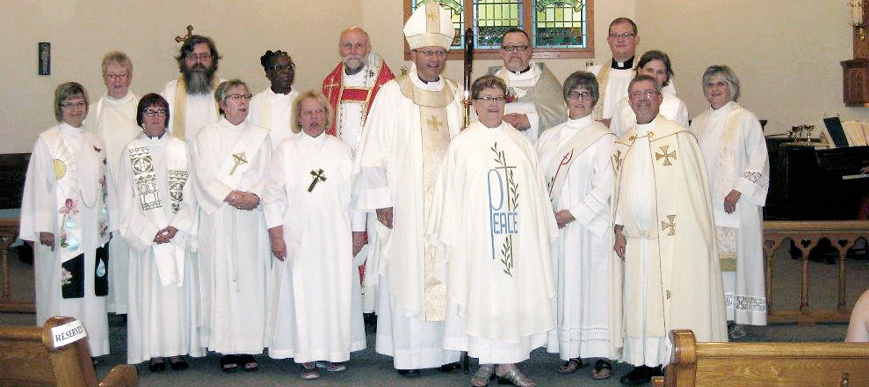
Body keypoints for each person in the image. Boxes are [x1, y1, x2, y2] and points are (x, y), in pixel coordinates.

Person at [426, 75, 559, 387]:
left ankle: (508, 365)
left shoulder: (521, 142)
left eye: (499, 98)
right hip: (477, 240)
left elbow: (536, 194)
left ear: (506, 101)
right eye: (486, 98)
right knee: (483, 296)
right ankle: (485, 363)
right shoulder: (462, 144)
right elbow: (450, 196)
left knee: (512, 297)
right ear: (474, 105)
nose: (493, 104)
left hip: (516, 236)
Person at [352, 1, 462, 375]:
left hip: (447, 206)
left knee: (445, 268)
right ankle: (411, 356)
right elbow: (372, 154)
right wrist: (382, 201)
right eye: (428, 51)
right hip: (406, 205)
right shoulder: (392, 94)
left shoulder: (455, 94)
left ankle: (446, 353)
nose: (434, 58)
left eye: (440, 51)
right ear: (413, 52)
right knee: (409, 273)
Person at [610, 75, 727, 386]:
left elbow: (693, 197)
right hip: (636, 240)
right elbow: (620, 192)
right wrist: (618, 228)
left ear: (661, 98)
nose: (643, 99)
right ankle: (643, 361)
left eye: (649, 93)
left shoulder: (679, 138)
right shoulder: (624, 142)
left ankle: (669, 360)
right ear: (628, 101)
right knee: (639, 302)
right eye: (636, 94)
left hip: (672, 239)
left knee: (669, 302)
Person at [263, 90, 366, 380]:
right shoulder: (286, 149)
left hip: (335, 234)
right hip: (299, 236)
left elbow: (356, 196)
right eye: (307, 112)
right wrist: (276, 234)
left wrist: (358, 231)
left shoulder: (341, 150)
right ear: (298, 117)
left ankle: (334, 352)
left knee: (333, 293)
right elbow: (272, 195)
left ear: (327, 116)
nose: (314, 117)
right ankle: (306, 355)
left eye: (319, 111)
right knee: (303, 294)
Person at [20, 82, 111, 356]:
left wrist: (112, 223)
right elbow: (38, 185)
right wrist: (43, 227)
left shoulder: (96, 141)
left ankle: (91, 349)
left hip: (94, 229)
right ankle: (62, 349)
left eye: (80, 103)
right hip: (61, 234)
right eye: (69, 104)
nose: (75, 109)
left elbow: (107, 186)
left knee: (91, 291)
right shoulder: (48, 140)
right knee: (63, 292)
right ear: (59, 108)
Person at [536, 71, 616, 379]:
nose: (579, 99)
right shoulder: (549, 136)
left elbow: (607, 185)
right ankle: (572, 353)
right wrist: (548, 212)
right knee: (566, 288)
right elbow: (536, 179)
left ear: (594, 99)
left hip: (589, 228)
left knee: (596, 291)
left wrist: (574, 213)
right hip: (557, 227)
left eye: (585, 94)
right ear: (565, 98)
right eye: (574, 93)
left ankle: (601, 355)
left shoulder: (604, 138)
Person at [117, 93, 204, 371]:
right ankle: (154, 352)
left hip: (176, 235)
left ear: (167, 116)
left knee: (176, 296)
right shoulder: (130, 151)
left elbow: (193, 192)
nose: (155, 117)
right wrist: (148, 232)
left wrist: (177, 226)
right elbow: (125, 199)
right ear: (140, 118)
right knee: (150, 297)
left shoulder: (182, 148)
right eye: (149, 112)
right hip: (148, 240)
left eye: (160, 111)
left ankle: (177, 351)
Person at [190, 79, 271, 373]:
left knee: (250, 279)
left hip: (250, 217)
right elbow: (202, 174)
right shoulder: (206, 136)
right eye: (236, 97)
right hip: (220, 217)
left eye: (245, 96)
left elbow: (268, 173)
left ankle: (249, 346)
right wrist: (231, 196)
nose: (243, 101)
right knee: (222, 279)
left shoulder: (261, 137)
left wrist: (254, 196)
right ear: (222, 104)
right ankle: (225, 347)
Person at [690, 65, 769, 339]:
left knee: (738, 263)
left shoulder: (745, 119)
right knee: (715, 263)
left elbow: (758, 158)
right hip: (708, 206)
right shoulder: (697, 122)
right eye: (709, 84)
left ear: (731, 87)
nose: (714, 89)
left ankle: (739, 319)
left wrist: (738, 189)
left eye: (720, 84)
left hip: (738, 205)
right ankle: (717, 315)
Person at [322, 26, 395, 319]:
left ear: (369, 48)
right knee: (344, 232)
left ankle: (372, 305)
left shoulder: (385, 83)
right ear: (340, 48)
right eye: (348, 45)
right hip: (340, 171)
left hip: (372, 170)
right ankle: (348, 303)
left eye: (359, 46)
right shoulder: (329, 83)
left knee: (374, 234)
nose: (353, 51)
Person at [86, 51, 139, 316]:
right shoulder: (95, 111)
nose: (116, 80)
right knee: (109, 247)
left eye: (121, 74)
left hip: (133, 191)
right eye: (111, 75)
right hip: (106, 191)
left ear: (129, 76)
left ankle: (133, 306)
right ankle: (110, 305)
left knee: (130, 248)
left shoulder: (140, 107)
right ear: (104, 78)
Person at [488, 27, 567, 143]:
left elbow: (560, 115)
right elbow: (478, 116)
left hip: (538, 149)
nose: (515, 51)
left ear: (530, 51)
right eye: (509, 47)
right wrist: (499, 121)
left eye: (521, 47)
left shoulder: (545, 79)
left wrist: (530, 120)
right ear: (501, 52)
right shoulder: (489, 83)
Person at [609, 50, 688, 137]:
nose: (654, 76)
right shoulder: (623, 106)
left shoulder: (676, 106)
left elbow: (683, 141)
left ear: (666, 77)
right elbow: (616, 143)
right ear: (639, 71)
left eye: (660, 72)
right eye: (650, 70)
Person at [161, 35, 222, 141]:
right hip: (181, 156)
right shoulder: (169, 93)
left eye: (204, 56)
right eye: (192, 57)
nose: (198, 62)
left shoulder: (226, 91)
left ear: (213, 60)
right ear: (183, 61)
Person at [249, 50, 298, 150]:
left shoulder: (303, 102)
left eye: (290, 67)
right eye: (279, 68)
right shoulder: (255, 103)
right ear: (268, 73)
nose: (286, 72)